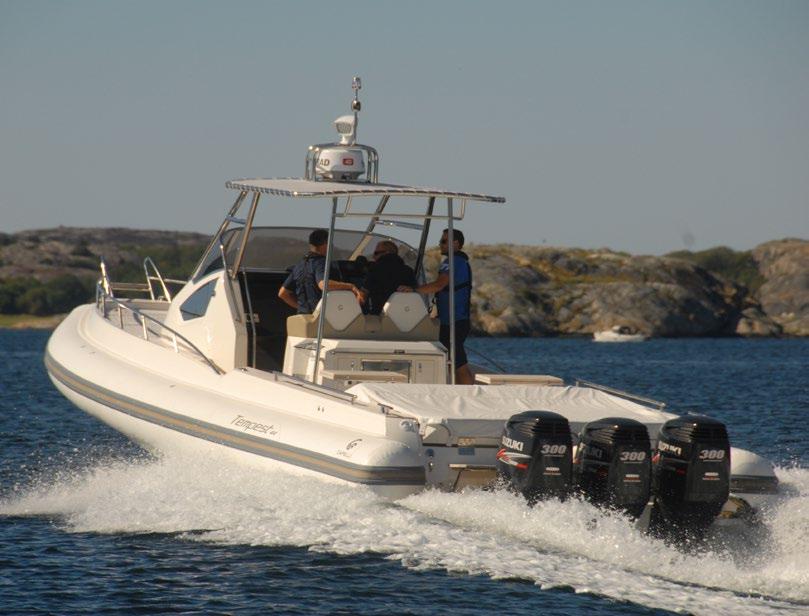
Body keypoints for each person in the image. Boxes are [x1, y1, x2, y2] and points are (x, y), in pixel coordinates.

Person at [399, 229, 474, 384]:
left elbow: (440, 285)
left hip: (455, 322)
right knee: (453, 362)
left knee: (459, 364)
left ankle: (468, 395)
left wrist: (414, 290)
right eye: (441, 241)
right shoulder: (458, 262)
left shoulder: (452, 262)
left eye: (444, 241)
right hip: (451, 321)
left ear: (456, 244)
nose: (440, 244)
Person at [278, 229, 361, 314]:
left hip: (303, 318)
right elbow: (323, 284)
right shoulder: (321, 263)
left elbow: (283, 293)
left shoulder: (299, 266)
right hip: (320, 320)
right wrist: (351, 286)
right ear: (325, 244)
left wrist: (302, 308)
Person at [360, 240, 417, 315]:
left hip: (378, 317)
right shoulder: (409, 271)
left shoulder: (375, 269)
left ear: (387, 253)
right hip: (404, 316)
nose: (373, 257)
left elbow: (362, 295)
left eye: (376, 253)